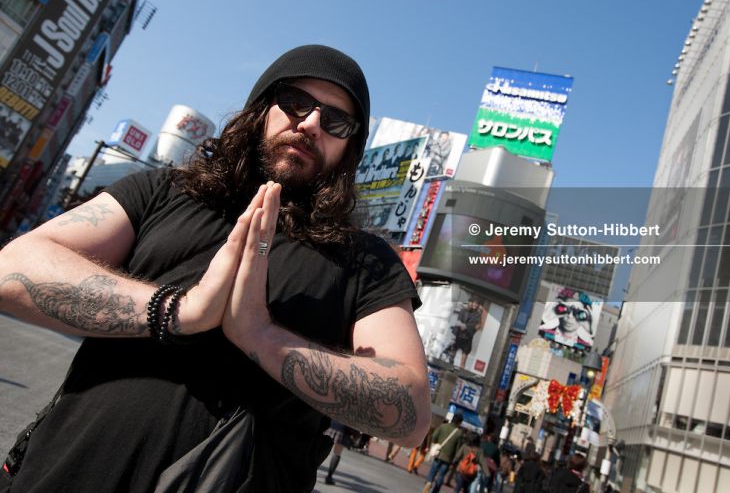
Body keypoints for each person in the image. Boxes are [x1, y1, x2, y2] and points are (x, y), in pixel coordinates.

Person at [0, 44, 431, 492]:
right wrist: (179, 310)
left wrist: (260, 336)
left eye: (336, 120)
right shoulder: (164, 191)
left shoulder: (367, 262)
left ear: (350, 148)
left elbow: (412, 414)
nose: (311, 124)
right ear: (263, 108)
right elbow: (13, 266)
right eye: (297, 102)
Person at [423, 413, 465, 493]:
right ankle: (435, 490)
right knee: (441, 475)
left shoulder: (443, 426)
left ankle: (428, 482)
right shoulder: (459, 433)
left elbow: (434, 436)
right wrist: (455, 460)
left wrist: (436, 444)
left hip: (438, 453)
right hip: (448, 458)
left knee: (433, 470)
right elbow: (458, 448)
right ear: (459, 422)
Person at [444, 299, 486, 368]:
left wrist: (465, 326)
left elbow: (476, 326)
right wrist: (455, 333)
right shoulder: (463, 311)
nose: (474, 305)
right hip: (458, 335)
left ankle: (461, 371)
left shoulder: (478, 315)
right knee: (451, 357)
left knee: (463, 360)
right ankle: (449, 366)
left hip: (468, 337)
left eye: (476, 304)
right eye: (473, 303)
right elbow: (458, 321)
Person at [324, 421, 351, 485]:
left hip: (332, 423)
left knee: (321, 447)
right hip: (343, 428)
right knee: (337, 453)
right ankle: (329, 477)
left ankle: (311, 470)